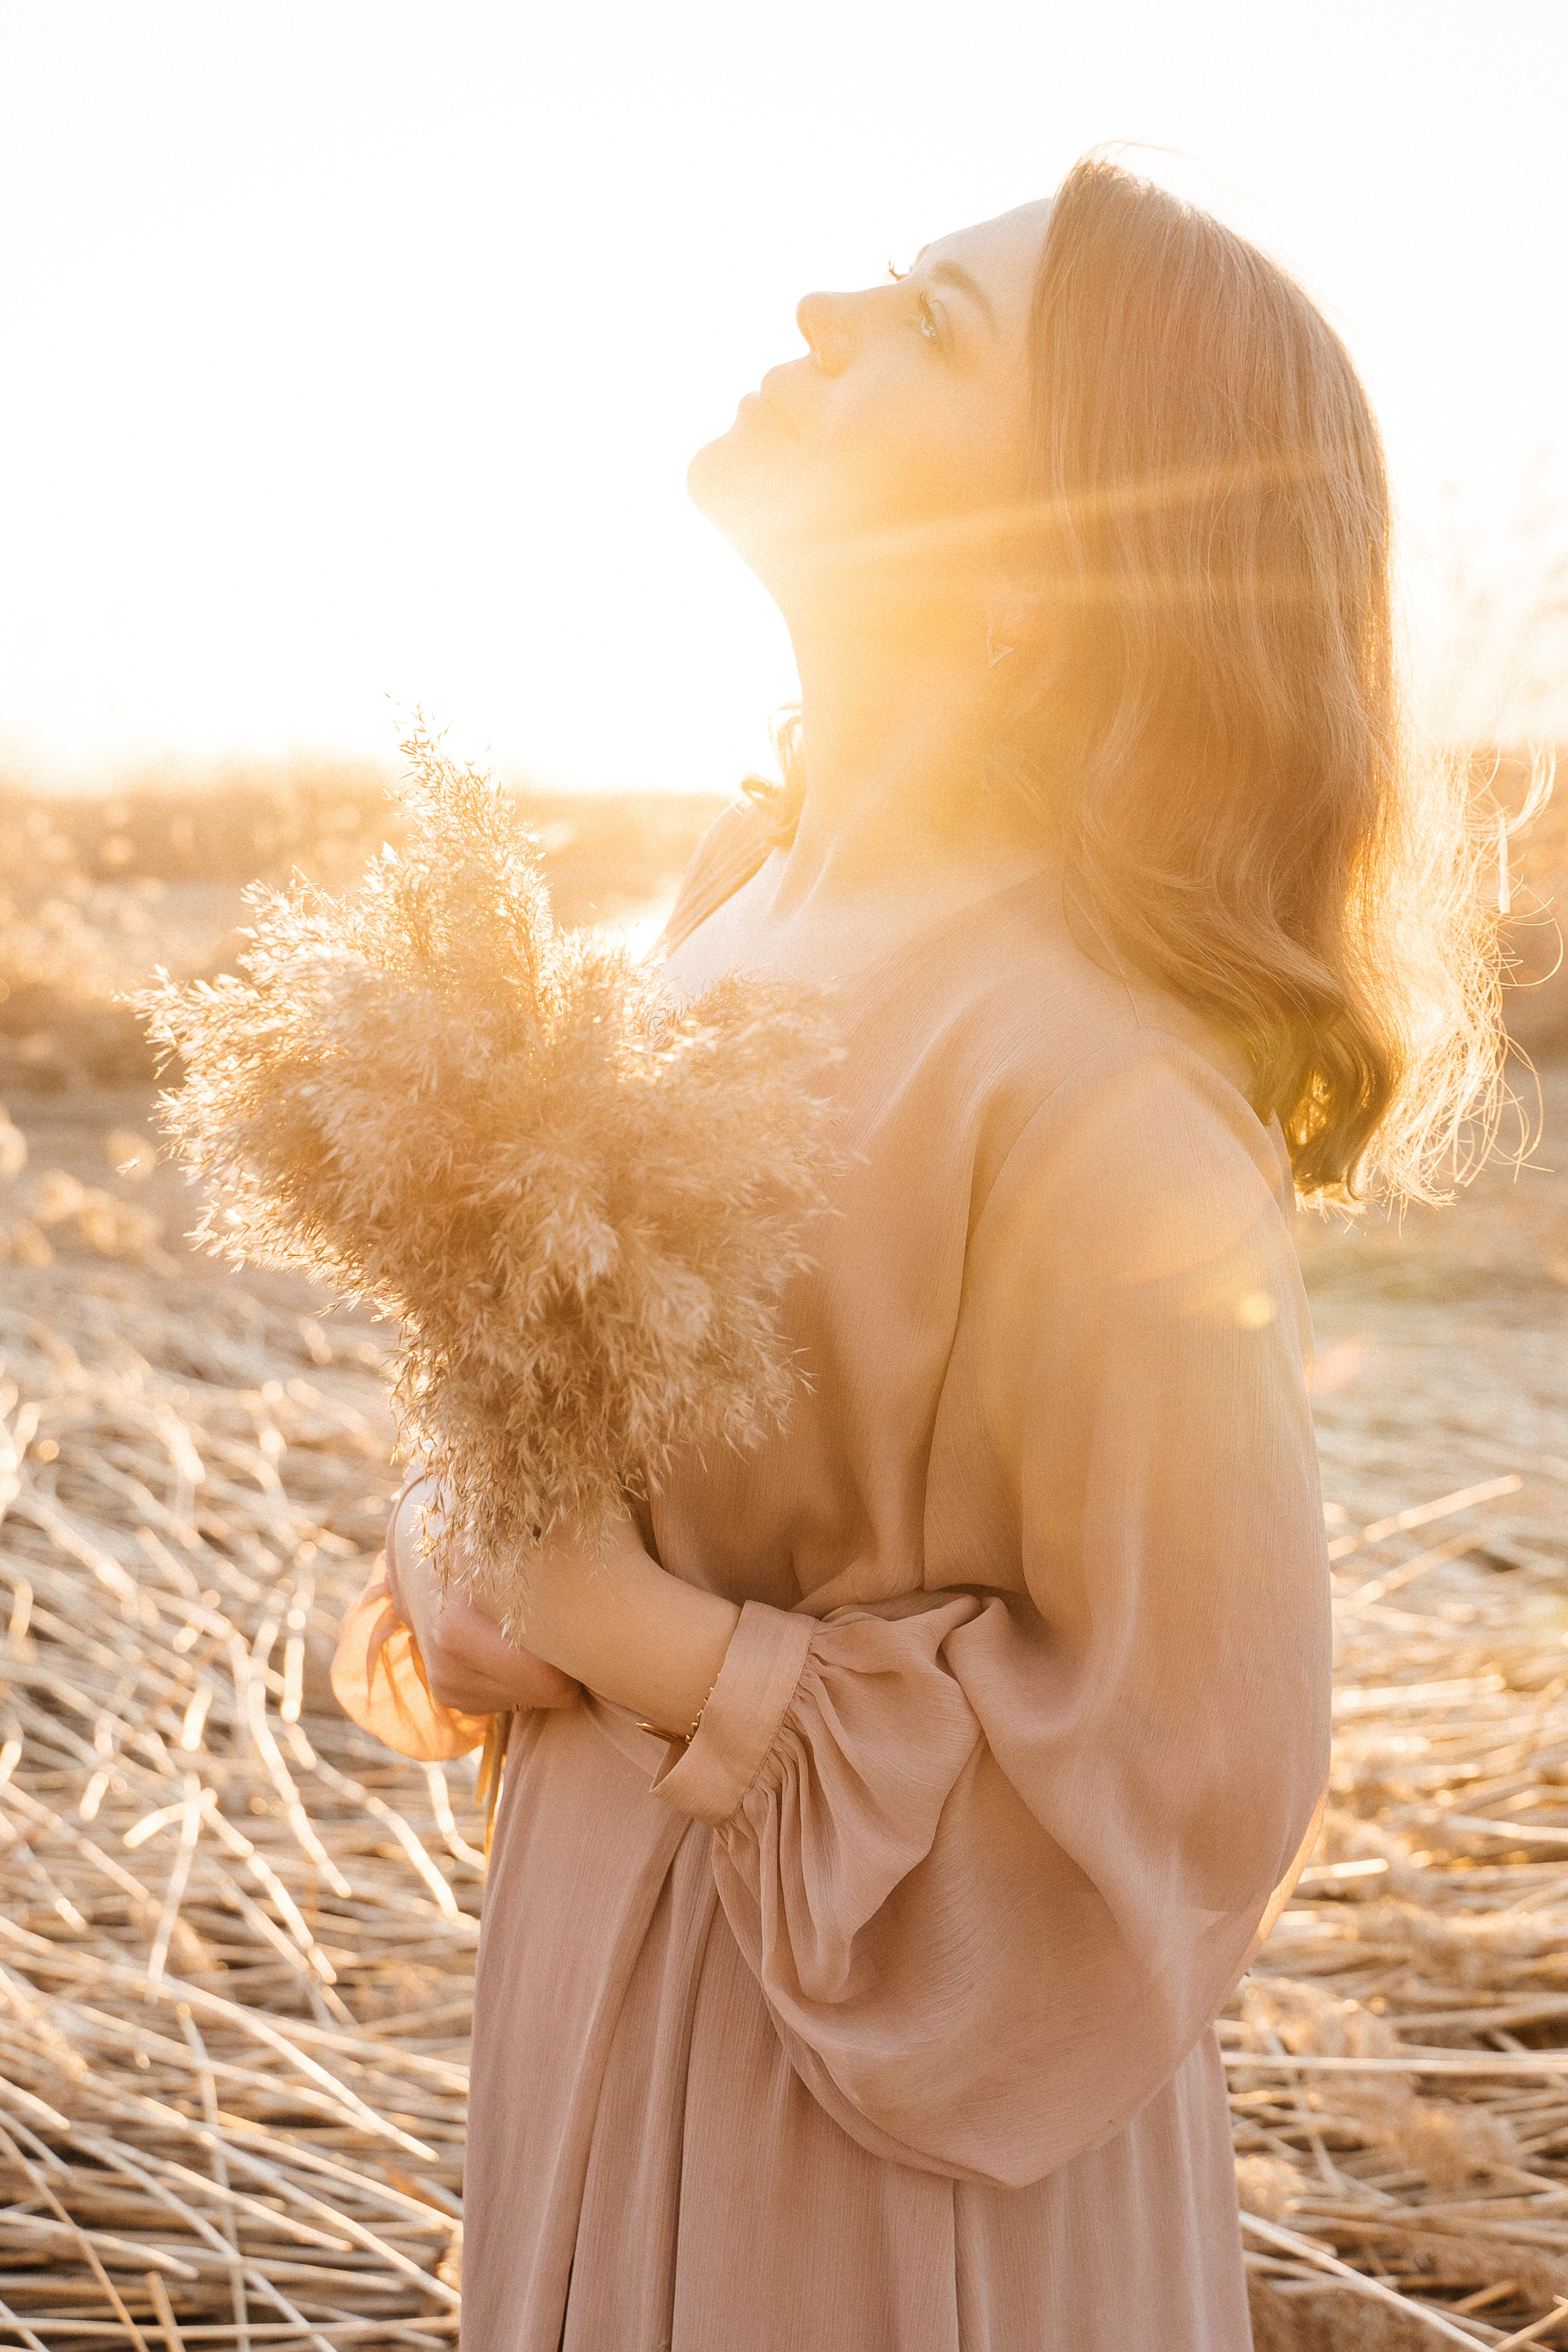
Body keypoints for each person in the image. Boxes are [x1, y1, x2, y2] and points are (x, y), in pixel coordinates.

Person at [333, 157, 1498, 2350]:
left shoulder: (1093, 1078)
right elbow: (550, 1454)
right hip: (594, 1977)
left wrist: (640, 1634)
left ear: (1062, 567)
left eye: (933, 328)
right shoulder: (725, 905)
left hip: (867, 2155)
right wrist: (458, 1554)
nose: (821, 310)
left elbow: (1174, 1781)